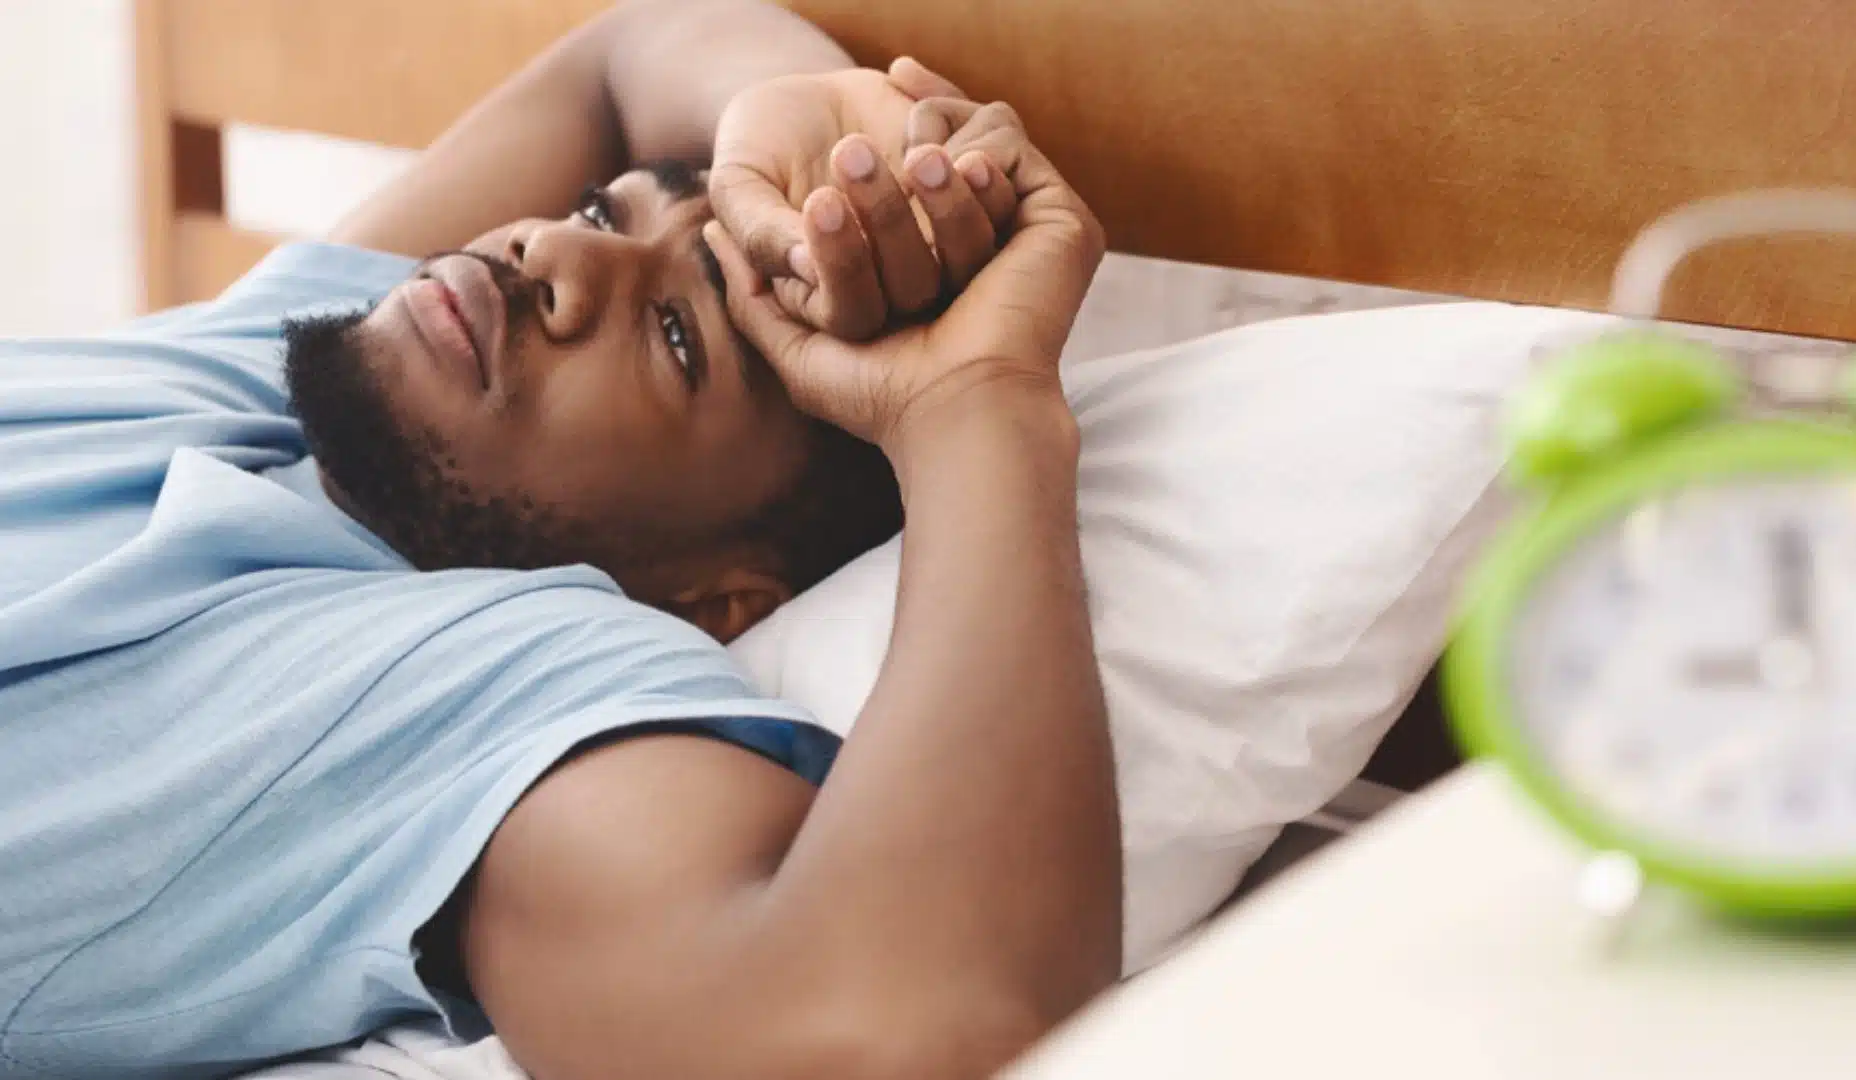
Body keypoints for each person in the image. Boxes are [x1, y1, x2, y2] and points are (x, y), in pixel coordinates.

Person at [0, 1, 1118, 1078]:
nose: (555, 258)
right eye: (600, 211)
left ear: (720, 597)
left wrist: (979, 403)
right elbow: (624, 59)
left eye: (676, 337)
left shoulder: (485, 697)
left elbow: (909, 1024)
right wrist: (811, 112)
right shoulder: (273, 374)